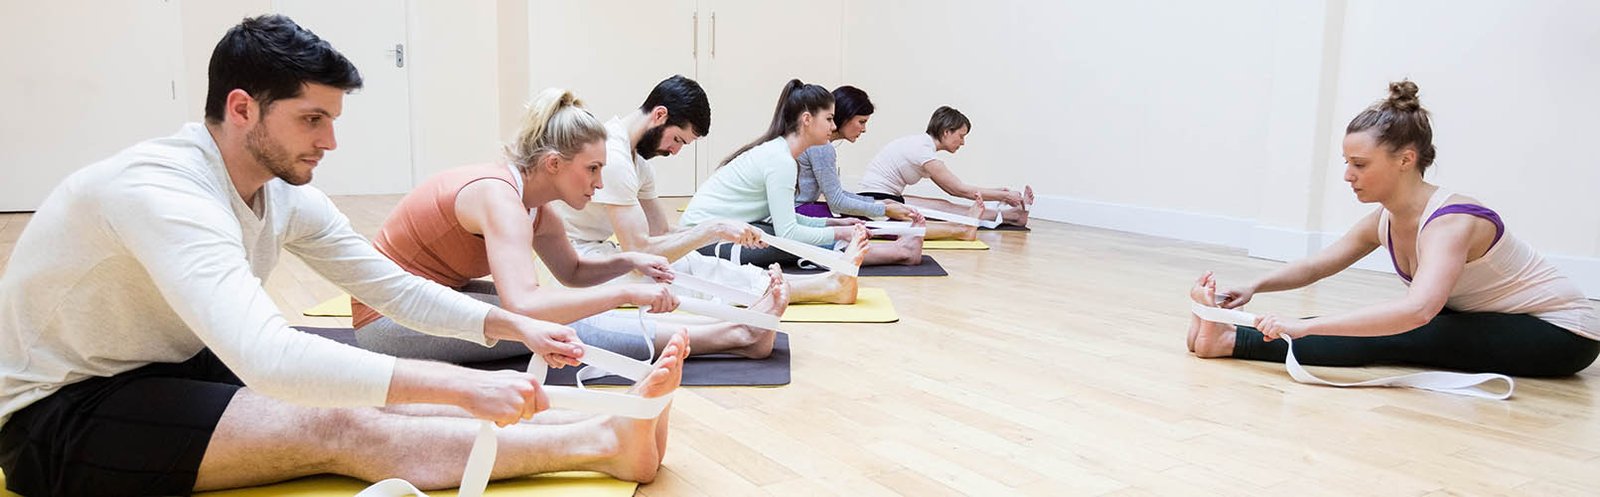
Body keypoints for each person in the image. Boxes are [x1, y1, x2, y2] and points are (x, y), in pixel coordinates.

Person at [0, 15, 681, 495]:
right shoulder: (164, 192)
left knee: (359, 390)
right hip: (57, 414)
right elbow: (270, 354)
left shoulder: (281, 190)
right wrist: (459, 382)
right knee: (339, 417)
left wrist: (512, 324)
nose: (329, 142)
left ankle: (607, 423)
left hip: (164, 366)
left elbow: (394, 288)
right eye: (311, 119)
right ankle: (604, 445)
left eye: (332, 120)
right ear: (242, 108)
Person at [1187, 80, 1598, 376]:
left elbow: (1417, 311)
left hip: (1563, 335)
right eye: (1346, 163)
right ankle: (1229, 335)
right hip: (1500, 324)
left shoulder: (1452, 222)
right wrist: (1254, 287)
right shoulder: (1384, 219)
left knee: (1406, 330)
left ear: (1406, 159)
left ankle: (1227, 342)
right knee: (1384, 325)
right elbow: (1317, 267)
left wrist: (1306, 327)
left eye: (1360, 164)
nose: (1348, 175)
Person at [354, 87, 788, 361]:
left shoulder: (535, 206)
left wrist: (629, 261)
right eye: (593, 169)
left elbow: (573, 273)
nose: (600, 183)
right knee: (553, 325)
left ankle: (736, 329)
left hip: (436, 297)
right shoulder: (499, 198)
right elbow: (524, 306)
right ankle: (737, 335)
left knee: (564, 309)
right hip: (388, 322)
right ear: (553, 164)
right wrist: (625, 290)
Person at [556, 76, 870, 304]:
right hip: (575, 263)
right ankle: (822, 286)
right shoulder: (616, 158)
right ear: (660, 115)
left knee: (687, 264)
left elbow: (662, 232)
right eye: (677, 139)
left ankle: (827, 282)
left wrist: (713, 233)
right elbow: (642, 252)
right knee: (663, 276)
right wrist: (713, 228)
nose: (675, 151)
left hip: (598, 252)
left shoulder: (638, 164)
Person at [682, 79, 926, 267]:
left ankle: (900, 251)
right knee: (789, 243)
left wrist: (832, 222)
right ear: (807, 119)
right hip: (699, 242)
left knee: (784, 234)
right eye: (829, 119)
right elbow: (788, 233)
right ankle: (901, 252)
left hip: (711, 233)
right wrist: (842, 231)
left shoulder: (780, 152)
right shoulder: (781, 161)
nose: (833, 126)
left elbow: (784, 220)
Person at [795, 86, 980, 241]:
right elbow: (836, 202)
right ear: (845, 116)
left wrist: (879, 202)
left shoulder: (820, 145)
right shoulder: (821, 147)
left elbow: (836, 193)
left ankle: (961, 229)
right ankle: (961, 230)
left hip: (804, 208)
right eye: (861, 121)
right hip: (800, 212)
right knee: (870, 224)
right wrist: (884, 208)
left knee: (873, 216)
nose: (864, 129)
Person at [857, 106, 1033, 227]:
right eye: (961, 136)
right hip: (877, 202)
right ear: (946, 131)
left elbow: (956, 188)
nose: (962, 142)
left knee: (944, 205)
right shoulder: (922, 149)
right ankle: (1013, 216)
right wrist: (1003, 195)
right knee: (947, 209)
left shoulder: (922, 146)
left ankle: (1011, 214)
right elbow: (958, 190)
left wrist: (999, 192)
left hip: (882, 198)